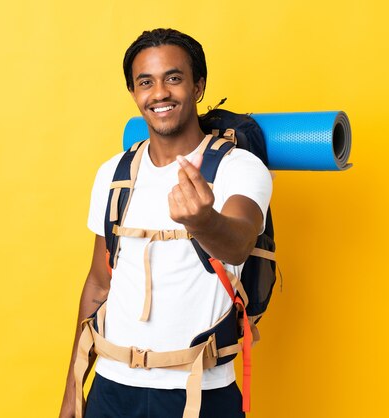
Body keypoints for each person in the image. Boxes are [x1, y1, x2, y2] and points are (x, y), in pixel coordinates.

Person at [59, 28, 272, 418]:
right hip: (111, 388)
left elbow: (239, 241)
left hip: (197, 391)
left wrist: (204, 221)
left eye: (173, 78)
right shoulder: (114, 173)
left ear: (198, 86)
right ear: (134, 92)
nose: (159, 93)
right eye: (146, 82)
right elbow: (98, 284)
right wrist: (73, 390)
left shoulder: (237, 168)